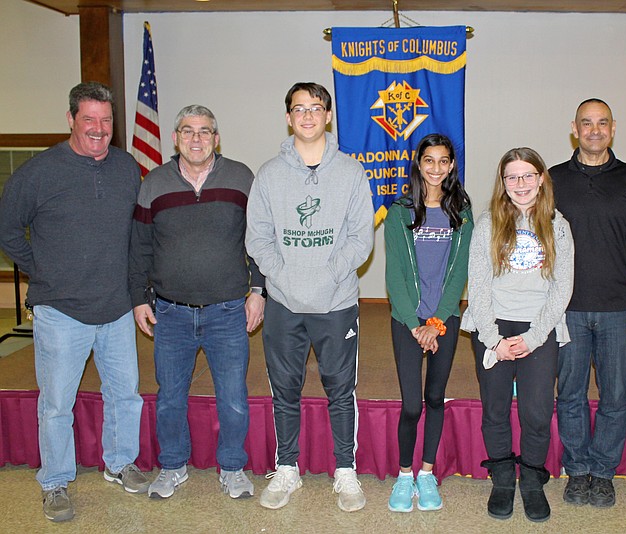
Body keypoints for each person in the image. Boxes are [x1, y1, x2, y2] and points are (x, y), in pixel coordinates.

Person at [0, 82, 148, 522]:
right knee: (56, 404)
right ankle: (55, 481)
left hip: (117, 307)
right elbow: (8, 230)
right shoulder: (39, 172)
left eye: (106, 120)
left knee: (125, 397)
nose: (99, 129)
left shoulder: (126, 167)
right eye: (89, 120)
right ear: (70, 119)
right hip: (60, 312)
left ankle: (120, 464)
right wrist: (42, 269)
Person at [245, 82, 374, 512]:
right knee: (285, 389)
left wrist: (325, 277)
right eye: (298, 109)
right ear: (288, 117)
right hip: (283, 303)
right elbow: (258, 239)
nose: (307, 115)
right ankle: (287, 470)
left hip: (337, 303)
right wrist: (283, 279)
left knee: (340, 388)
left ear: (328, 115)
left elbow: (360, 240)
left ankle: (345, 471)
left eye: (315, 108)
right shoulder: (268, 174)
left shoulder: (352, 172)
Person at [128, 105, 265, 500]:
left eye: (205, 131)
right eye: (188, 131)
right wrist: (139, 300)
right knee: (169, 398)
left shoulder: (241, 178)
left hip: (227, 311)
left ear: (216, 138)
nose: (197, 138)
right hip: (170, 312)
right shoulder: (153, 183)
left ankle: (234, 468)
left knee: (234, 399)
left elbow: (258, 239)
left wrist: (258, 291)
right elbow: (139, 249)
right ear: (175, 138)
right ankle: (172, 466)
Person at [550, 98, 626, 508]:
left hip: (617, 307)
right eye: (586, 123)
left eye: (602, 123)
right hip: (568, 308)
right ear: (574, 129)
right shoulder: (554, 178)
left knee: (614, 396)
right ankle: (577, 471)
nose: (594, 130)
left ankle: (603, 471)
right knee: (571, 393)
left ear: (614, 128)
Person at [462, 147, 574, 523]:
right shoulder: (488, 222)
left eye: (528, 175)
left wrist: (535, 336)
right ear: (503, 182)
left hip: (538, 329)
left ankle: (531, 479)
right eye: (512, 177)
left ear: (541, 178)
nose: (521, 184)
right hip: (494, 326)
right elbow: (477, 285)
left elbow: (563, 287)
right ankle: (503, 477)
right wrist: (493, 339)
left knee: (537, 412)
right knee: (494, 409)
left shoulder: (558, 225)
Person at [384, 133, 473, 512]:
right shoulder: (399, 212)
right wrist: (415, 322)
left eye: (443, 161)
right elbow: (395, 276)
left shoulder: (462, 213)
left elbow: (459, 275)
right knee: (411, 405)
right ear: (418, 164)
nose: (436, 168)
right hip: (407, 320)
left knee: (435, 398)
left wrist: (436, 324)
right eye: (429, 160)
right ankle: (405, 476)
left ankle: (426, 473)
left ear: (451, 166)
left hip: (444, 319)